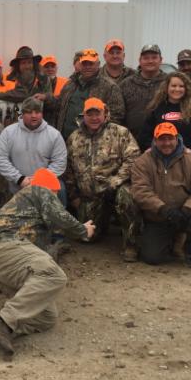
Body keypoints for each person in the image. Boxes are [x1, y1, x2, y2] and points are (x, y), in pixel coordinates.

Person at [0, 168, 95, 354]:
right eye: (55, 194)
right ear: (52, 189)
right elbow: (60, 217)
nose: (55, 199)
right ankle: (4, 320)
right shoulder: (39, 190)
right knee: (55, 275)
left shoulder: (28, 210)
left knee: (46, 317)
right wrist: (82, 230)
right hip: (6, 249)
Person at [63, 97, 141, 261]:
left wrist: (115, 181)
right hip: (91, 195)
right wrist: (74, 197)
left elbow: (133, 159)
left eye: (97, 113)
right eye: (89, 114)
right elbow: (68, 170)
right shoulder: (74, 138)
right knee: (87, 238)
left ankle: (131, 244)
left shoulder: (120, 132)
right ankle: (103, 222)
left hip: (116, 188)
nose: (94, 118)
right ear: (83, 115)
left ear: (105, 114)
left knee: (126, 197)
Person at [131, 122, 191, 267]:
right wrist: (163, 209)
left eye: (170, 139)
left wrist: (188, 210)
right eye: (162, 139)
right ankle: (172, 240)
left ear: (177, 139)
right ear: (155, 141)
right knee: (152, 258)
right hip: (158, 216)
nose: (166, 143)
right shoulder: (143, 161)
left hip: (185, 214)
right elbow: (140, 190)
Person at [0, 97, 67, 196]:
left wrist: (40, 180)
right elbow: (0, 158)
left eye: (37, 112)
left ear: (42, 114)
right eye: (29, 112)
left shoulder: (54, 135)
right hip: (17, 190)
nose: (33, 116)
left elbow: (60, 162)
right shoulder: (8, 132)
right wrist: (19, 179)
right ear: (22, 114)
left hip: (46, 191)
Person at [55, 49, 124, 141]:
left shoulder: (110, 86)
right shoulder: (70, 84)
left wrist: (97, 132)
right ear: (80, 65)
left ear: (98, 64)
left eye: (91, 64)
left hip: (93, 141)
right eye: (84, 63)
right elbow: (59, 104)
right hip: (64, 139)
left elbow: (117, 115)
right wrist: (46, 98)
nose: (87, 67)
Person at [138, 71, 191, 157]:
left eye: (181, 86)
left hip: (186, 157)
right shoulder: (156, 109)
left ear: (186, 89)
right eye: (173, 86)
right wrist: (152, 147)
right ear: (166, 88)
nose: (177, 89)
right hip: (160, 156)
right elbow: (144, 135)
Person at [120, 43, 168, 142]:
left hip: (164, 141)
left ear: (161, 60)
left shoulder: (169, 83)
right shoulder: (126, 84)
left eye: (154, 57)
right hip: (131, 141)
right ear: (140, 61)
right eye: (146, 58)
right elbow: (119, 114)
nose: (150, 61)